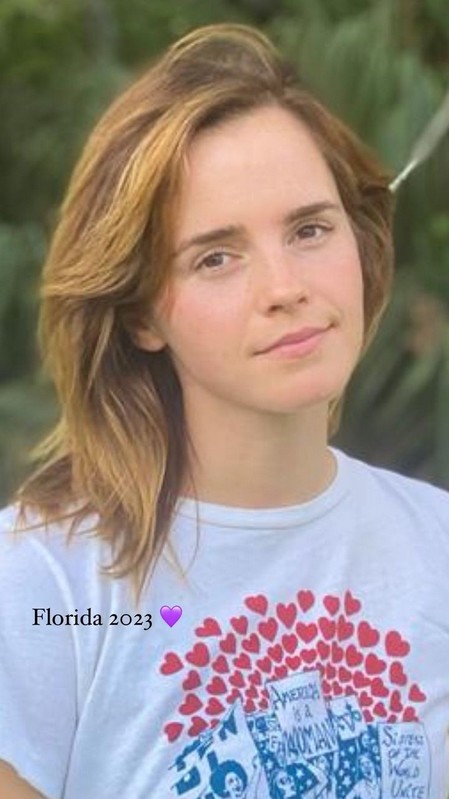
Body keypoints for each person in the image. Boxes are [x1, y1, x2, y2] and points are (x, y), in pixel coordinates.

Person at [0, 21, 447, 799]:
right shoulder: (43, 585)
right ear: (140, 314)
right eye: (215, 256)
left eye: (309, 229)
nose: (285, 287)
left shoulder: (436, 547)